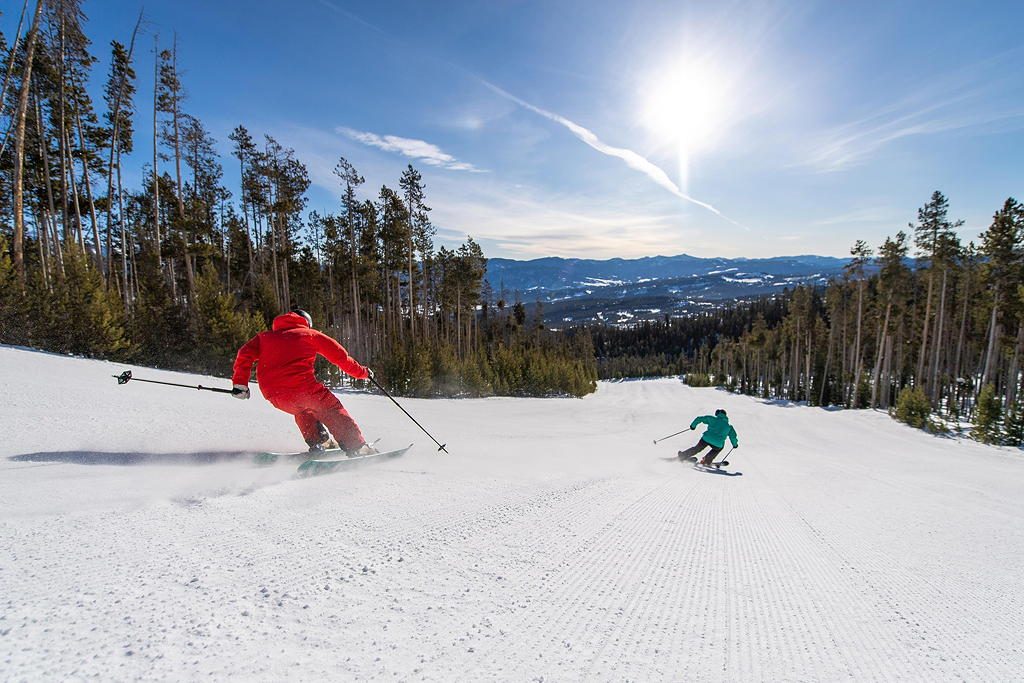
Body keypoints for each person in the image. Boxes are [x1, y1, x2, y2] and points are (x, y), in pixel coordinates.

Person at [231, 308, 377, 455]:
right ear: (307, 322)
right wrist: (362, 373)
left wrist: (240, 385)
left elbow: (244, 354)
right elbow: (340, 358)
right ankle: (357, 447)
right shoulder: (310, 335)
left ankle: (320, 442)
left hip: (275, 396)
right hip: (303, 389)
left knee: (302, 411)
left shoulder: (264, 338)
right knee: (330, 409)